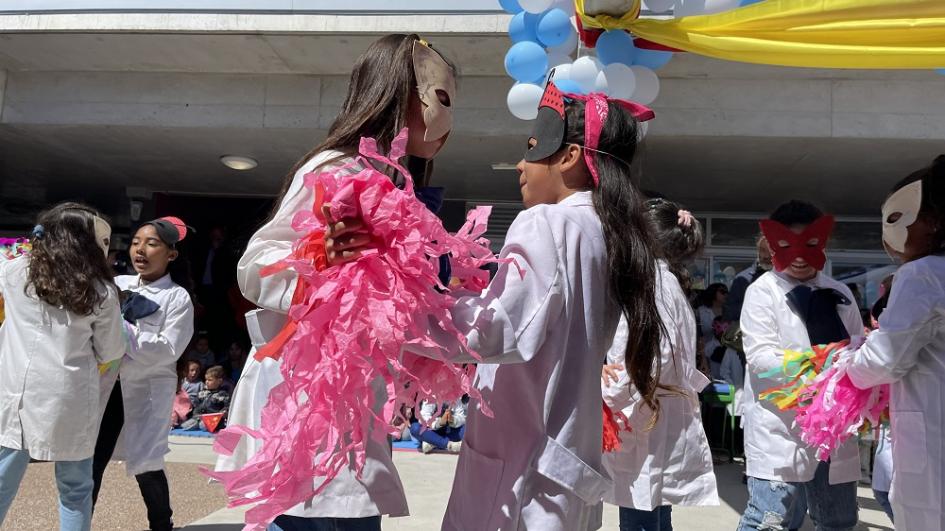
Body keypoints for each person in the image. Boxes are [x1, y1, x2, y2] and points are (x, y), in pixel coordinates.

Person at [389, 82, 665, 530]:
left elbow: (499, 330)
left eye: (532, 149)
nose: (521, 164)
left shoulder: (548, 222)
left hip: (523, 470)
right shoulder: (609, 233)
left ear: (569, 156)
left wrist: (410, 307)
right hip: (565, 461)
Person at [215, 33, 457, 531]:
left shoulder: (396, 183)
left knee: (348, 508)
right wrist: (314, 256)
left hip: (355, 396)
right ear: (395, 93)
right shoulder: (338, 167)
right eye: (440, 96)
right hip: (304, 397)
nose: (449, 117)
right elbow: (256, 262)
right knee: (312, 512)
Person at [737, 200, 863, 531]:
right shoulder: (762, 293)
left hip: (833, 431)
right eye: (786, 244)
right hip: (781, 427)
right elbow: (762, 360)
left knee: (839, 520)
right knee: (769, 519)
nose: (798, 256)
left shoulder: (840, 293)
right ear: (771, 245)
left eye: (809, 244)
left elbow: (858, 348)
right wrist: (825, 363)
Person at [0, 202, 125, 531]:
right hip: (70, 396)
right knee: (75, 488)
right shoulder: (100, 290)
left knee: (3, 478)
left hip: (18, 391)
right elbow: (112, 348)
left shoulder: (15, 273)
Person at [601, 199, 718, 531]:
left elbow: (650, 361)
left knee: (642, 507)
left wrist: (604, 390)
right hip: (656, 411)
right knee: (653, 507)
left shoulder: (649, 286)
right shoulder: (665, 284)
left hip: (644, 413)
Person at [845, 155, 945, 530]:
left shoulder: (924, 274)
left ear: (933, 221)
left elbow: (884, 360)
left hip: (935, 444)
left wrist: (846, 362)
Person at [92, 216, 196, 531]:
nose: (140, 250)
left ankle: (161, 524)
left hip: (146, 390)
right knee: (91, 460)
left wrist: (119, 330)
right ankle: (78, 522)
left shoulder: (178, 298)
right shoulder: (118, 284)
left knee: (146, 463)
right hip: (109, 387)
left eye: (152, 244)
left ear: (171, 254)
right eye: (136, 242)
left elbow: (167, 349)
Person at [722, 235, 772, 322]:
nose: (767, 256)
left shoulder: (788, 276)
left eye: (771, 250)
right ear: (758, 251)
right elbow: (730, 313)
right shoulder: (743, 279)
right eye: (763, 250)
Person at [181, 366, 231, 431]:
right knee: (184, 426)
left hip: (214, 419)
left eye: (210, 380)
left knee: (203, 426)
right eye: (206, 380)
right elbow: (196, 405)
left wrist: (223, 412)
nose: (207, 382)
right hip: (200, 417)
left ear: (219, 381)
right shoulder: (202, 392)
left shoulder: (222, 394)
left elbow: (227, 406)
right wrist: (196, 414)